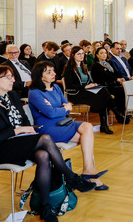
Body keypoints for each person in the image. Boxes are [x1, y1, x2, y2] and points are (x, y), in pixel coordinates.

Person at [0, 66, 96, 222]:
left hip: (18, 143)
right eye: (8, 77)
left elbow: (24, 120)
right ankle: (71, 177)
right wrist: (17, 131)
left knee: (43, 155)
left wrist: (26, 130)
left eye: (12, 76)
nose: (13, 80)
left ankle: (45, 207)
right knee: (44, 138)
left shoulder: (12, 97)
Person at [28, 62, 108, 190]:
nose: (54, 74)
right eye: (49, 72)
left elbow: (68, 106)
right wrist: (62, 108)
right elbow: (51, 113)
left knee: (87, 127)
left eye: (53, 70)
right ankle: (91, 176)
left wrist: (62, 108)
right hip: (48, 129)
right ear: (39, 75)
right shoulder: (35, 93)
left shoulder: (56, 88)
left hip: (63, 123)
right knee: (87, 138)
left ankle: (89, 171)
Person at [62, 46, 125, 134]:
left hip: (87, 92)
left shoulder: (84, 67)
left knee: (103, 91)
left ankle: (105, 124)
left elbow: (89, 80)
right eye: (78, 54)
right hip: (76, 94)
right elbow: (69, 85)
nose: (81, 56)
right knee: (102, 96)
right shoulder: (69, 68)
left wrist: (93, 84)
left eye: (82, 54)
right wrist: (85, 86)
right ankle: (112, 114)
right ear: (73, 55)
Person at [90, 47, 127, 120]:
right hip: (102, 86)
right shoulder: (96, 65)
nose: (104, 55)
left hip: (111, 84)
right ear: (97, 55)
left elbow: (116, 72)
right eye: (101, 53)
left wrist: (121, 77)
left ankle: (122, 113)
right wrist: (117, 79)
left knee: (121, 90)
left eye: (105, 53)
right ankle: (119, 114)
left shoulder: (108, 63)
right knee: (119, 91)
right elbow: (106, 75)